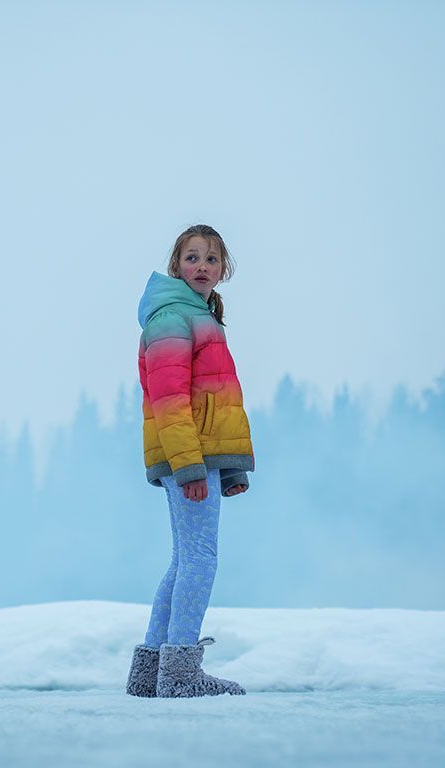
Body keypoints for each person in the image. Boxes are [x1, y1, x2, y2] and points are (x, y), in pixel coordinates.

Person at [125, 223, 254, 698]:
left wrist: (231, 466)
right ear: (176, 266)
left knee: (185, 559)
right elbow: (170, 401)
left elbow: (217, 401)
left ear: (223, 270)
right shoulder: (171, 318)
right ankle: (179, 671)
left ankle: (152, 674)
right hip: (188, 457)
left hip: (200, 456)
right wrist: (190, 467)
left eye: (211, 259)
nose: (202, 267)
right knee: (200, 560)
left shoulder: (201, 317)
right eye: (192, 258)